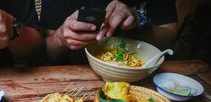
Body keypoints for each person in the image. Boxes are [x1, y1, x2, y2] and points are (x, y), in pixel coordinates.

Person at [41, 0, 178, 65]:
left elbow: (169, 39)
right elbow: (45, 53)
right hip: (74, 76)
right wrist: (60, 38)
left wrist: (138, 22)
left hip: (143, 76)